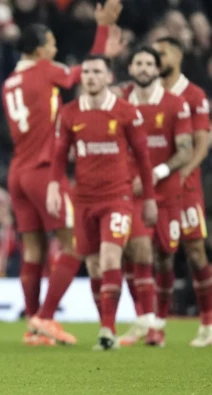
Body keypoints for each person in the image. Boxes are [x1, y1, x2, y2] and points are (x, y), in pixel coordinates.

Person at [1, 0, 122, 346]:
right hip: (42, 171)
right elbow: (85, 74)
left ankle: (32, 326)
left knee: (33, 251)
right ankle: (46, 317)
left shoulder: (10, 81)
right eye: (52, 44)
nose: (55, 49)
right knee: (75, 242)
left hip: (17, 172)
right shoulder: (44, 70)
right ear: (40, 49)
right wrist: (102, 30)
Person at [47, 54, 158, 351]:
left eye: (97, 72)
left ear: (109, 77)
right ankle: (105, 323)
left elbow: (144, 160)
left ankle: (107, 330)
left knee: (110, 258)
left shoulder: (126, 112)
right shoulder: (69, 113)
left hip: (117, 198)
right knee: (95, 266)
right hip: (84, 199)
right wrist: (54, 188)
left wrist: (148, 199)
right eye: (86, 72)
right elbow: (59, 156)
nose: (91, 77)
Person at [115, 47, 193, 347]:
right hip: (132, 191)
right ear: (131, 68)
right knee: (136, 252)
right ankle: (144, 320)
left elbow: (185, 149)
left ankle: (158, 320)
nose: (144, 67)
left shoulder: (175, 104)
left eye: (149, 63)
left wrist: (156, 173)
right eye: (139, 62)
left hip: (167, 191)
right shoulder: (119, 103)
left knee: (164, 257)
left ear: (157, 69)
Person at [151, 37, 212, 347]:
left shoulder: (193, 94)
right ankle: (157, 326)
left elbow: (203, 140)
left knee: (195, 251)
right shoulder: (150, 93)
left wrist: (187, 169)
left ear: (178, 55)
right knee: (161, 255)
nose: (156, 58)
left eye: (162, 53)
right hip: (155, 189)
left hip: (186, 188)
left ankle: (207, 323)